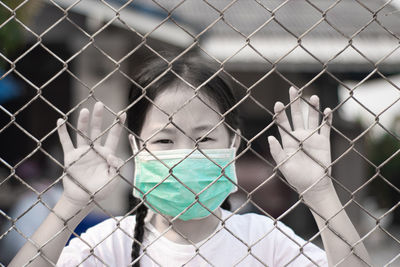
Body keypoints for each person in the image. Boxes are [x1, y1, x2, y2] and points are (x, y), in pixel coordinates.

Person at [10, 55, 371, 267]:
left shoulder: (264, 241)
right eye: (165, 139)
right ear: (137, 147)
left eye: (204, 138)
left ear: (233, 144)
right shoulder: (111, 245)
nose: (186, 153)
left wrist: (320, 192)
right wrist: (71, 204)